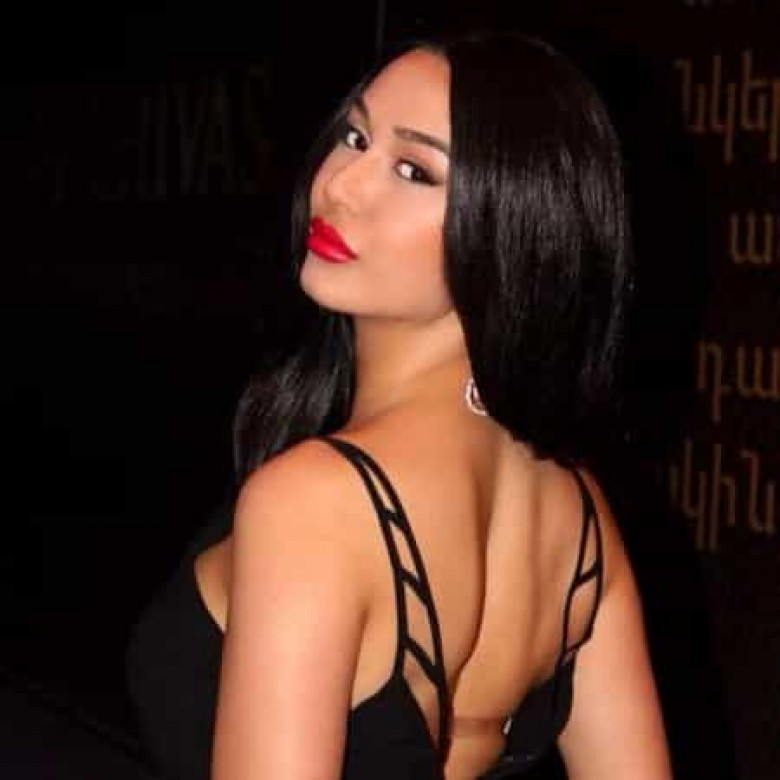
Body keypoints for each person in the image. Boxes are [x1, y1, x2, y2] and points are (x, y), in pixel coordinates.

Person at [126, 31, 673, 780]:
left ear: (510, 227)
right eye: (355, 136)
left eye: (414, 170)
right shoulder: (580, 520)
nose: (341, 184)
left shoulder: (313, 502)